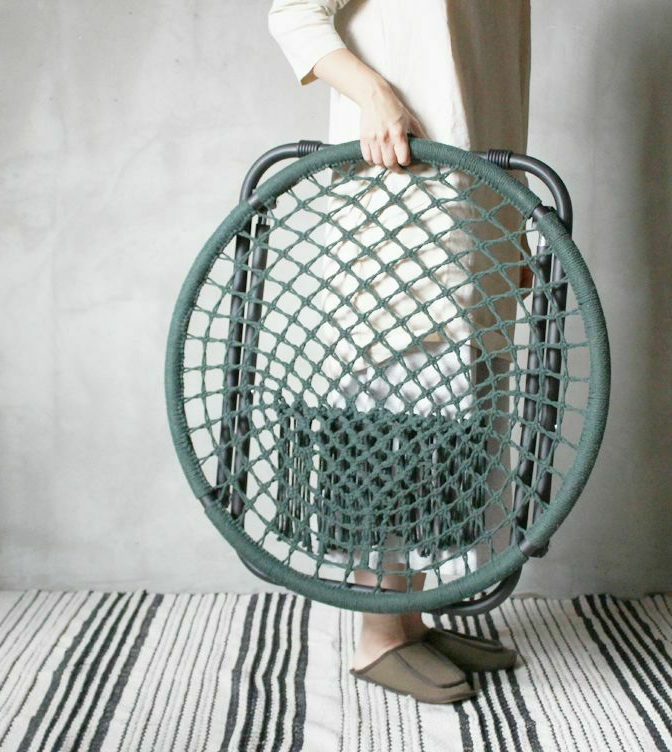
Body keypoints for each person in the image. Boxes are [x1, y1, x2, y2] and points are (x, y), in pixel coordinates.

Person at [268, 0, 530, 704]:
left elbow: (497, 87)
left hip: (477, 209)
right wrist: (374, 94)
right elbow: (294, 14)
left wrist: (514, 224)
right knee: (389, 415)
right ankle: (378, 637)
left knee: (450, 419)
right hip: (399, 200)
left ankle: (408, 622)